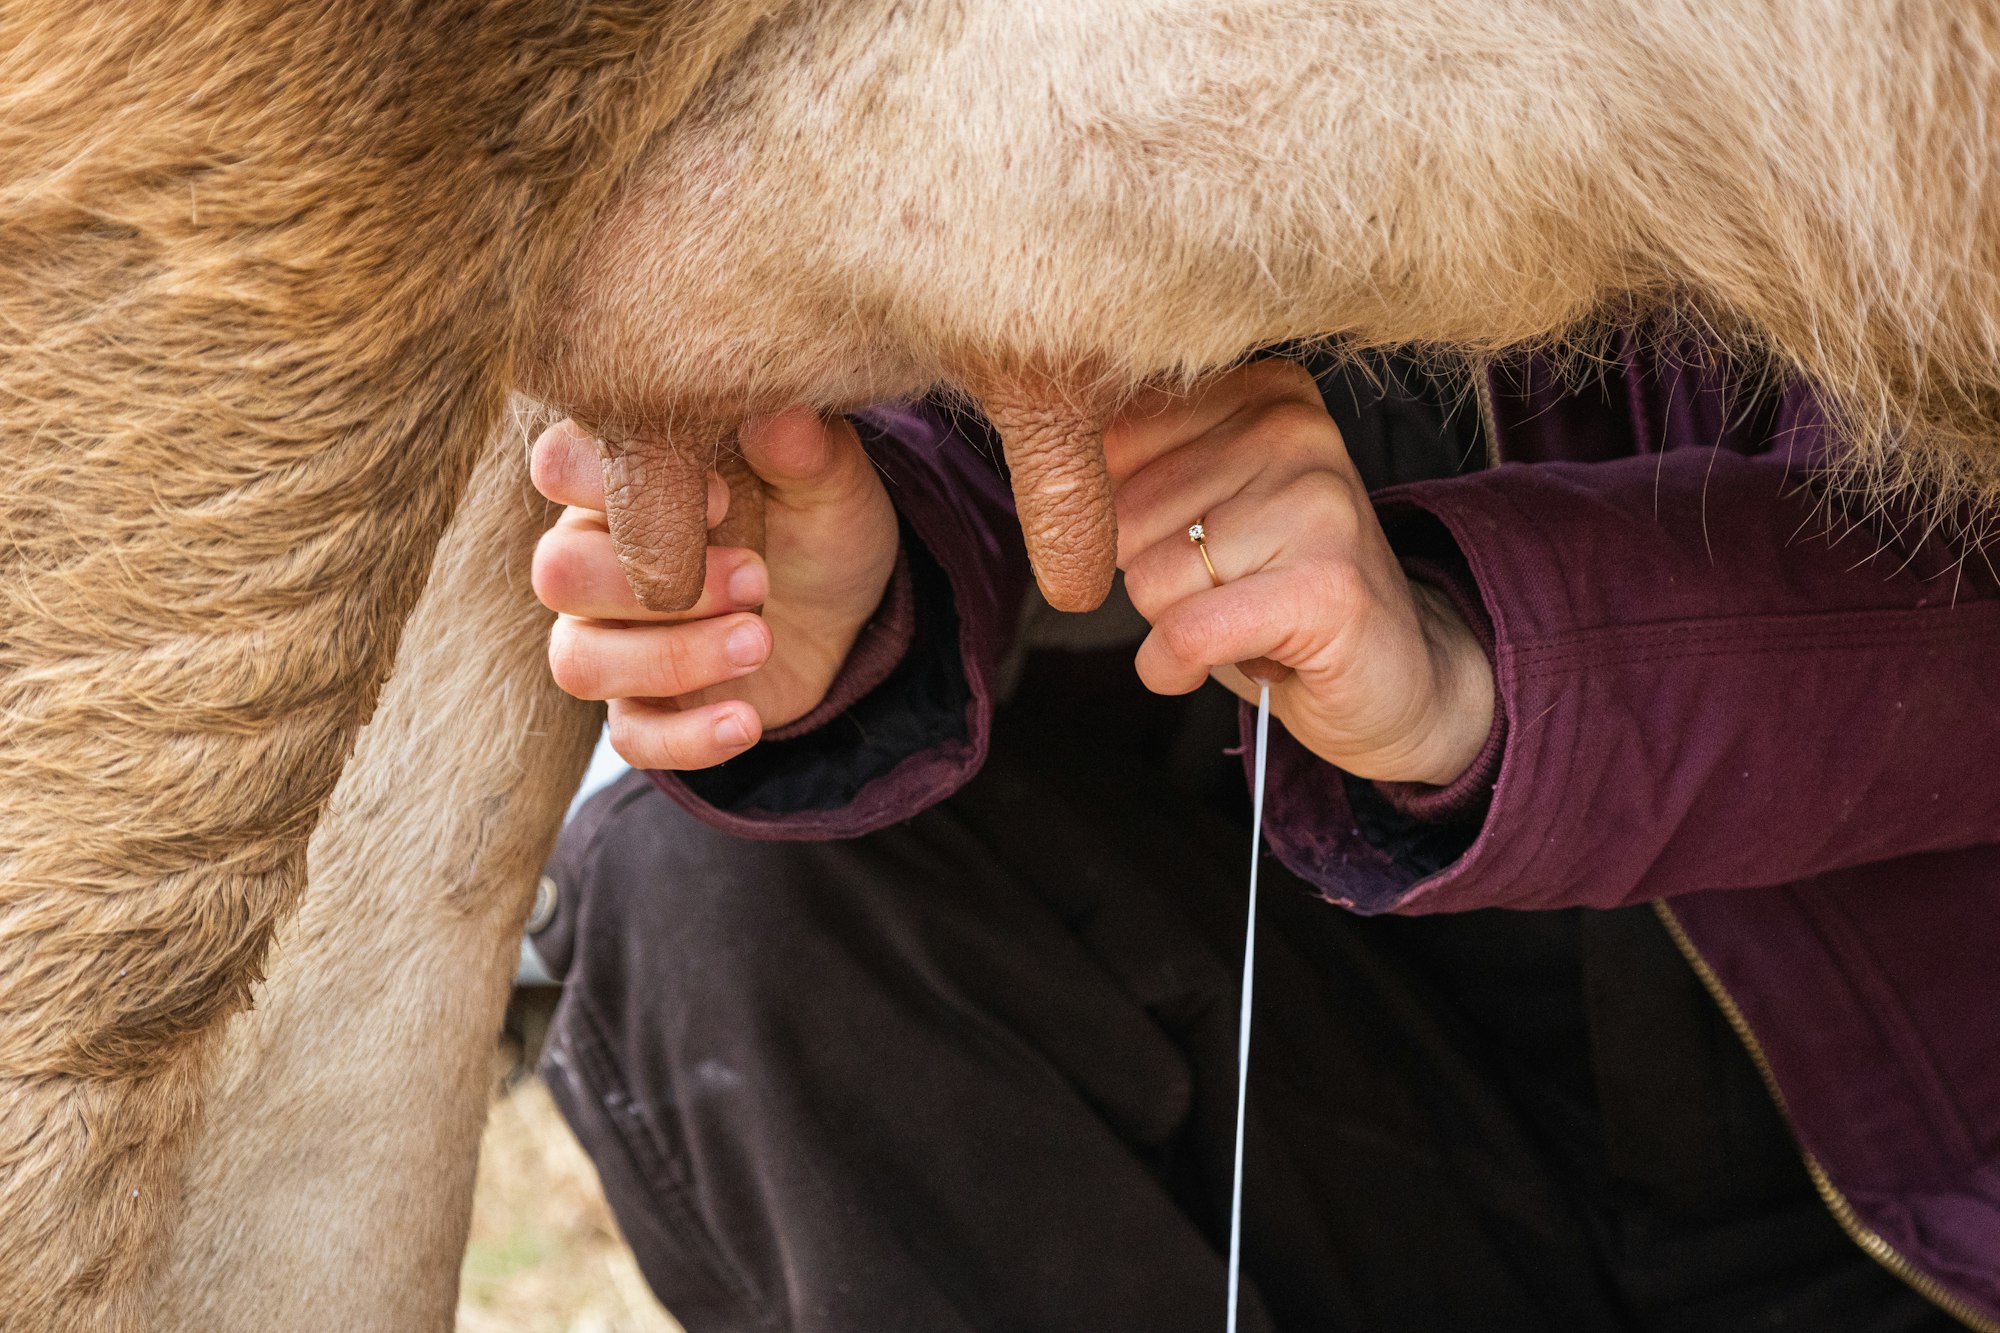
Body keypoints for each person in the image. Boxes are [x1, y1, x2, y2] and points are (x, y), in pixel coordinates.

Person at [526, 344, 2000, 1332]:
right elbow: (1036, 337)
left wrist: (1482, 668)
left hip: (1933, 1216)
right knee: (719, 897)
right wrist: (872, 571)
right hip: (1414, 1107)